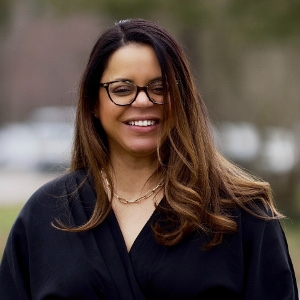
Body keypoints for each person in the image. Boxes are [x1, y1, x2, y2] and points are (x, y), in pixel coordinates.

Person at [0, 18, 298, 300]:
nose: (142, 101)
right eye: (121, 89)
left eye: (160, 88)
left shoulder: (242, 216)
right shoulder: (45, 215)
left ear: (182, 99)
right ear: (92, 102)